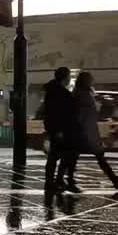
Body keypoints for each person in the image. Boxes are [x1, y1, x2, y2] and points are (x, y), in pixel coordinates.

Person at [71, 72, 118, 189]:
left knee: (74, 156)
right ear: (85, 81)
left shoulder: (85, 93)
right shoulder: (81, 95)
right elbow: (81, 114)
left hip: (88, 129)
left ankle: (114, 179)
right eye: (90, 79)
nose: (92, 81)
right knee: (77, 156)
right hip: (85, 130)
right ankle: (114, 179)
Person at [42, 67, 76, 203]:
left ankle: (53, 182)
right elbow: (63, 113)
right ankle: (53, 183)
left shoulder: (51, 92)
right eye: (69, 77)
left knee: (55, 157)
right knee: (61, 155)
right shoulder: (61, 93)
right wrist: (60, 130)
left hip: (55, 129)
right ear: (64, 78)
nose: (69, 80)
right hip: (60, 130)